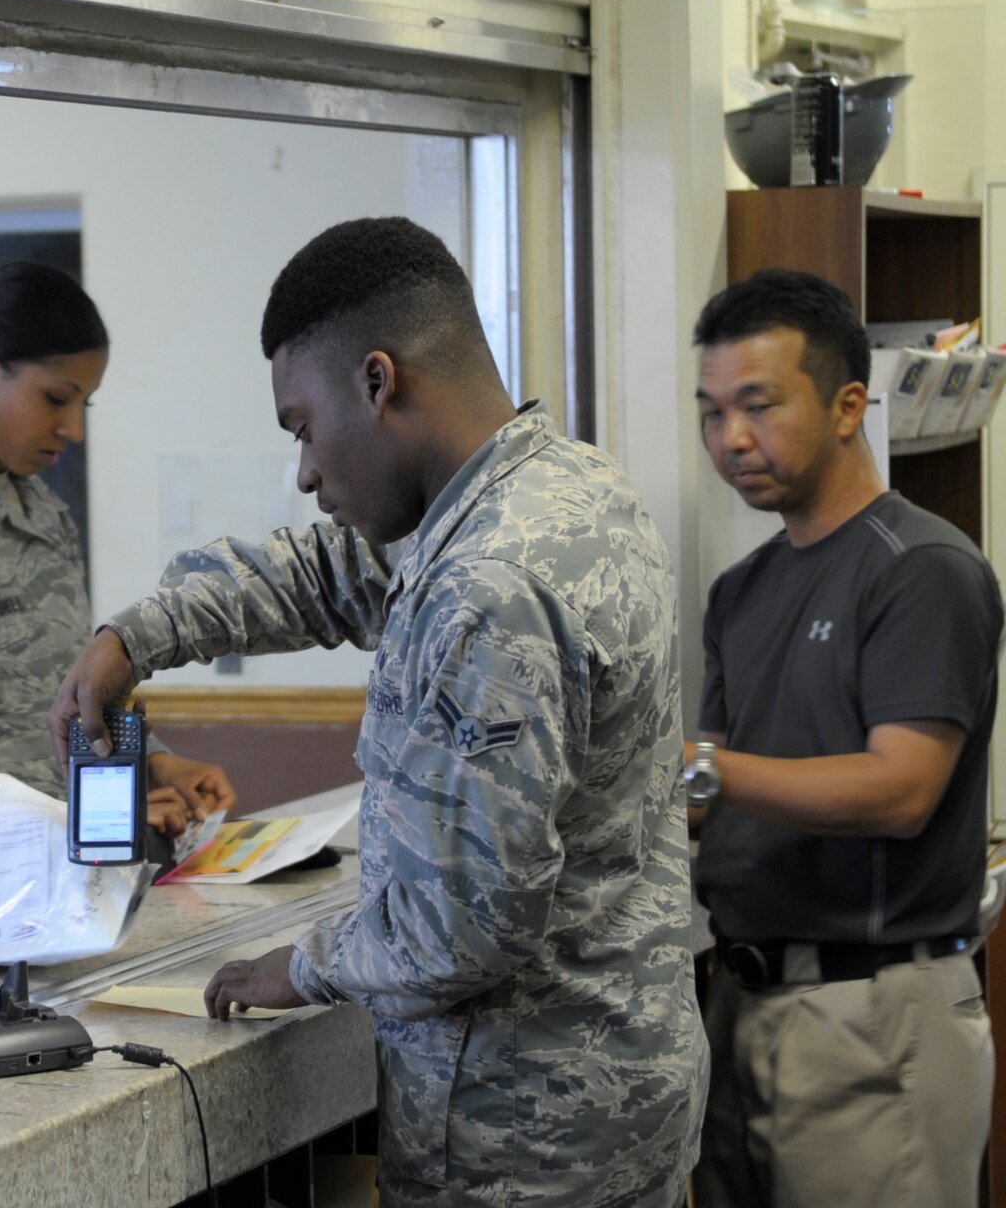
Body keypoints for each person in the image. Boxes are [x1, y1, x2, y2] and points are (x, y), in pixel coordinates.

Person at [51, 217, 704, 1206]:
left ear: (375, 381)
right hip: (617, 1088)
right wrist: (138, 635)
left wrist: (299, 965)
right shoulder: (562, 487)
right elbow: (331, 570)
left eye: (301, 429)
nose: (306, 473)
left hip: (523, 1139)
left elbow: (461, 931)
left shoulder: (487, 585)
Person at [686, 269, 1000, 1208]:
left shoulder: (924, 568)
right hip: (738, 1000)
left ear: (847, 405)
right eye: (710, 412)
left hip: (874, 1014)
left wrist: (704, 770)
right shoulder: (740, 591)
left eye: (759, 406)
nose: (731, 439)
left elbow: (901, 792)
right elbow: (709, 797)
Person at [0, 261, 236, 834]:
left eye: (84, 405)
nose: (74, 429)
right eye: (56, 398)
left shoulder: (42, 509)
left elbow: (61, 689)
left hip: (74, 857)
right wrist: (77, 818)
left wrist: (155, 765)